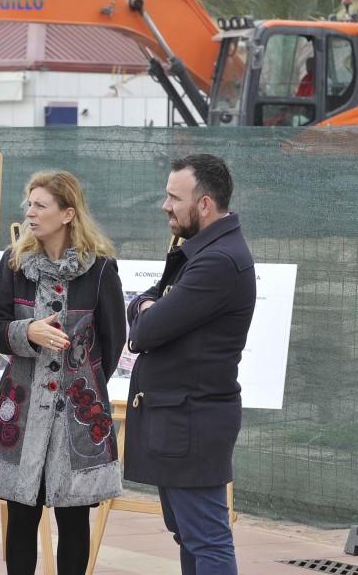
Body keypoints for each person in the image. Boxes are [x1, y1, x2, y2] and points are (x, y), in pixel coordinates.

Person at [0, 170, 126, 575]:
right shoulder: (14, 264)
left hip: (77, 420)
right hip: (23, 413)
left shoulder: (100, 270)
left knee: (74, 520)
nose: (30, 212)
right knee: (21, 517)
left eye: (40, 205)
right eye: (29, 204)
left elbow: (112, 342)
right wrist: (28, 332)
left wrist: (81, 383)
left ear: (67, 213)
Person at [124, 154, 256, 575]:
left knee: (207, 540)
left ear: (205, 205)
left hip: (192, 421)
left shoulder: (217, 262)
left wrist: (146, 309)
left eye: (173, 198)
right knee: (190, 535)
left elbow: (146, 330)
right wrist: (146, 307)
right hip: (181, 418)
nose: (165, 206)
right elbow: (145, 305)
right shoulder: (204, 252)